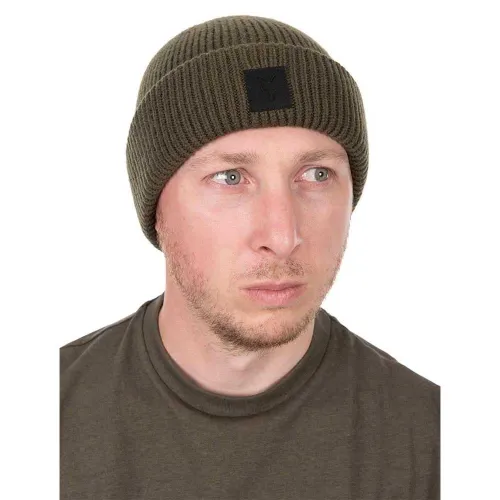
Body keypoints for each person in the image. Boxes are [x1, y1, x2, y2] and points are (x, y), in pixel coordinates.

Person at [60, 14, 440, 500]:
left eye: (317, 175)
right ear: (156, 206)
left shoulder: (436, 442)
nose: (282, 236)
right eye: (230, 178)